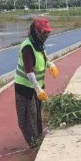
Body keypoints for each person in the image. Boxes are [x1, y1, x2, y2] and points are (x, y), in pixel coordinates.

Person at [14, 16, 58, 148]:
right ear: (36, 31)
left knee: (38, 112)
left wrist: (50, 65)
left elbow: (41, 61)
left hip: (37, 86)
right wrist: (38, 89)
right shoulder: (27, 47)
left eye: (48, 32)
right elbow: (29, 72)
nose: (46, 35)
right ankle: (33, 143)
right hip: (25, 87)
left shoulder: (39, 45)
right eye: (44, 32)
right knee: (29, 115)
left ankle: (39, 135)